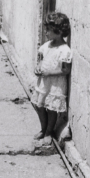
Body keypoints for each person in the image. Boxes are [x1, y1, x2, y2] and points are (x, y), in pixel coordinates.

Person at [31, 12, 72, 145]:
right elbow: (41, 60)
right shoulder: (46, 45)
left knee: (51, 109)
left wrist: (49, 73)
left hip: (55, 84)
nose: (46, 32)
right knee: (39, 106)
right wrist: (38, 68)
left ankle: (49, 132)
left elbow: (66, 70)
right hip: (43, 83)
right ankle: (43, 129)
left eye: (48, 30)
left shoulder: (64, 50)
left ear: (59, 32)